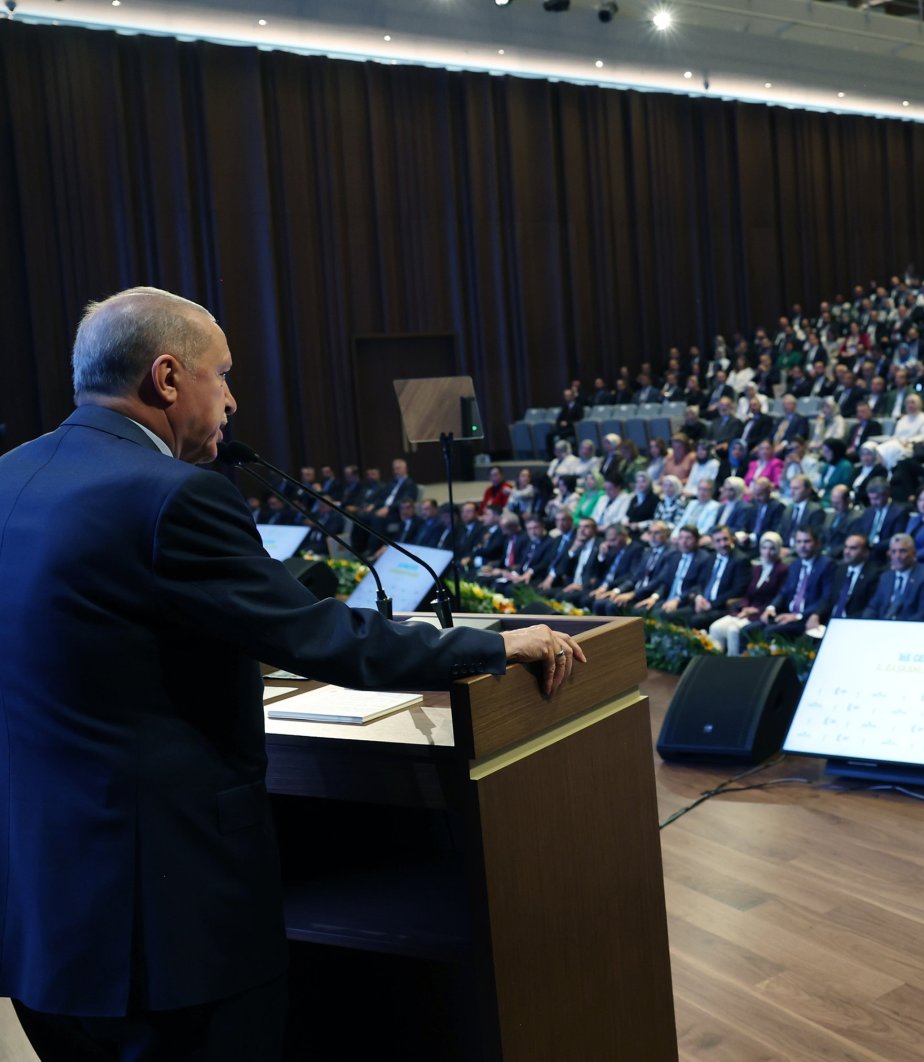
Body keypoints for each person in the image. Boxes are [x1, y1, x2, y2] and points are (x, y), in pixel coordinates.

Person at [0, 287, 583, 1060]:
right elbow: (327, 639)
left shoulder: (10, 475)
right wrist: (496, 645)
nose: (234, 401)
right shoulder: (173, 497)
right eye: (224, 375)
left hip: (41, 916)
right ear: (168, 378)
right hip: (167, 924)